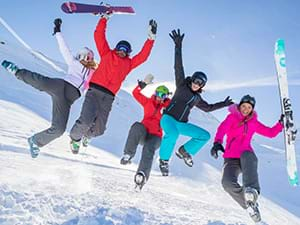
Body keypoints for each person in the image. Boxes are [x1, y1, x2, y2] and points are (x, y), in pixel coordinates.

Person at [1, 18, 96, 158]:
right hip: (61, 86)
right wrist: (58, 31)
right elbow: (64, 49)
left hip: (67, 101)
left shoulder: (94, 73)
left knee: (59, 129)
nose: (86, 59)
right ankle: (17, 71)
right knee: (41, 82)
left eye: (89, 57)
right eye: (84, 56)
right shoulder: (74, 63)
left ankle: (35, 141)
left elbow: (106, 75)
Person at [69, 13, 157, 153]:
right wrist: (104, 19)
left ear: (128, 53)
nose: (122, 51)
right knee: (85, 120)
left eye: (126, 50)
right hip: (94, 92)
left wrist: (150, 39)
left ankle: (87, 136)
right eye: (120, 48)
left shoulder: (129, 64)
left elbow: (143, 57)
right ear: (116, 48)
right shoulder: (106, 53)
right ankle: (75, 139)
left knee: (99, 129)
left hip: (109, 97)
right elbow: (99, 36)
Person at [158, 29, 233, 176]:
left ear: (202, 86)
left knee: (204, 135)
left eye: (200, 83)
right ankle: (164, 161)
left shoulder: (197, 98)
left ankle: (184, 151)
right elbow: (178, 66)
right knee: (172, 135)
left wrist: (224, 104)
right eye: (196, 80)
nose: (197, 84)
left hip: (182, 124)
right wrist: (178, 46)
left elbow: (208, 108)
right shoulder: (181, 85)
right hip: (168, 119)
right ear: (192, 79)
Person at [210, 94, 284, 223]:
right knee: (227, 183)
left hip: (246, 155)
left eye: (249, 107)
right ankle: (249, 205)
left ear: (252, 109)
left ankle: (252, 191)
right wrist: (217, 142)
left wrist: (280, 124)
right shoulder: (232, 117)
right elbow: (222, 129)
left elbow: (270, 133)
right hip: (231, 158)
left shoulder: (253, 123)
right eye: (244, 106)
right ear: (239, 106)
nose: (245, 109)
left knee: (247, 155)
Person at [120, 74, 171, 190]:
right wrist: (142, 85)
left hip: (156, 136)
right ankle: (128, 155)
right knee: (136, 126)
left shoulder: (168, 107)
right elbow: (135, 94)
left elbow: (177, 107)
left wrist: (169, 106)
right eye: (158, 93)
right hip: (144, 132)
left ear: (166, 96)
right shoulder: (148, 102)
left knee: (149, 149)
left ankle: (141, 176)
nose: (160, 97)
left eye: (163, 95)